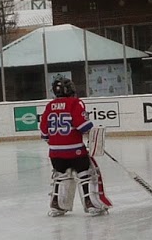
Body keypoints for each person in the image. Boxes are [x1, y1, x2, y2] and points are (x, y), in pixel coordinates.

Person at [39, 77, 106, 216]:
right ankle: (91, 203)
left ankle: (57, 205)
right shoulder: (75, 103)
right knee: (86, 175)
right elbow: (84, 126)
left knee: (61, 176)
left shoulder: (49, 105)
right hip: (75, 150)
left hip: (55, 153)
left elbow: (44, 132)